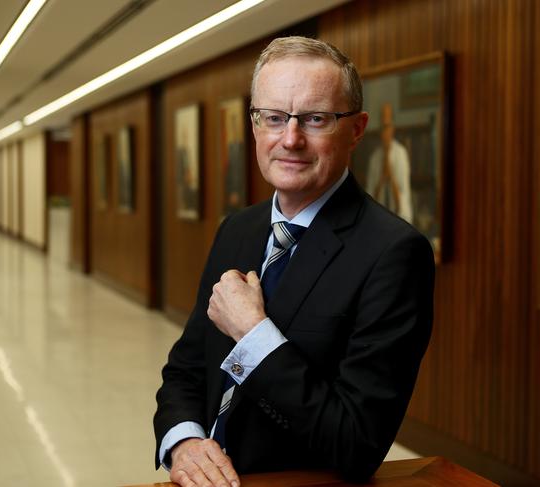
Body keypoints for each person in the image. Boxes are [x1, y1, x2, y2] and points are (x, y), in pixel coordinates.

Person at [154, 36, 434, 487]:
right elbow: (187, 369)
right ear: (255, 124)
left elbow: (356, 444)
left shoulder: (395, 254)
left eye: (316, 119)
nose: (290, 139)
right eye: (274, 117)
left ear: (357, 129)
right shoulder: (237, 230)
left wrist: (253, 334)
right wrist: (184, 441)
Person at [366, 102, 414, 223]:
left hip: (400, 219)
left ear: (392, 128)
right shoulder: (375, 158)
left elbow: (402, 200)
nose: (384, 132)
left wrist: (390, 174)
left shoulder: (401, 154)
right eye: (382, 127)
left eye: (387, 126)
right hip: (378, 220)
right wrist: (382, 177)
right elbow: (370, 197)